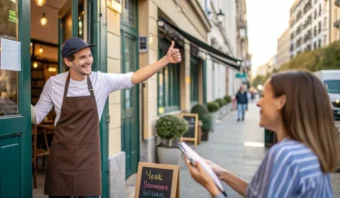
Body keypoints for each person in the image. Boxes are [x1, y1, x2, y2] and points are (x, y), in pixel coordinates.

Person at [30, 37, 182, 198]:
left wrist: (166, 60)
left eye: (89, 55)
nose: (89, 60)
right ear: (68, 61)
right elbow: (37, 116)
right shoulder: (54, 83)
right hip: (61, 158)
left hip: (88, 160)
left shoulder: (100, 81)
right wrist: (13, 99)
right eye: (82, 57)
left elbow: (135, 77)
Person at [185, 70, 339, 197]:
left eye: (264, 96)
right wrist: (222, 174)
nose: (258, 103)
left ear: (281, 102)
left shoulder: (286, 155)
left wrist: (211, 186)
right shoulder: (307, 150)